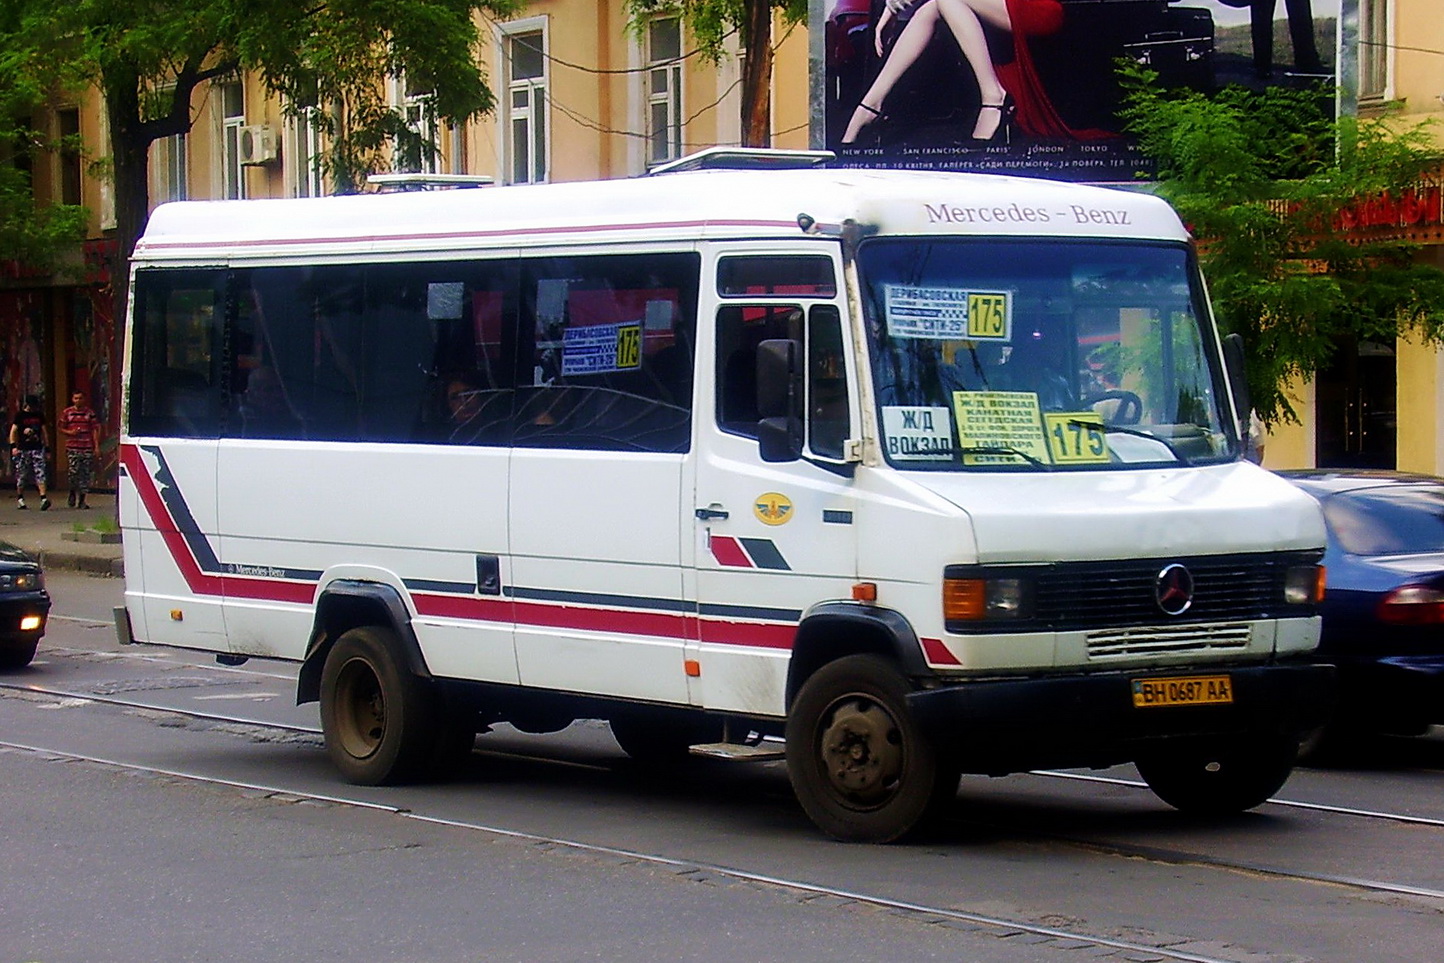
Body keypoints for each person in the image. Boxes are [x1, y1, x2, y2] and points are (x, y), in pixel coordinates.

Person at [841, 0, 1109, 145]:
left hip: (1041, 8)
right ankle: (870, 105)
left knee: (944, 0)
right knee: (932, 8)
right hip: (1006, 7)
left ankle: (994, 97)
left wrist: (890, 8)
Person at [58, 390, 102, 508]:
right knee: (73, 472)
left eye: (80, 398)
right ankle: (72, 492)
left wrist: (96, 446)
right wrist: (70, 432)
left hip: (86, 446)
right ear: (73, 399)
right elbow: (61, 428)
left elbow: (94, 429)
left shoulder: (89, 413)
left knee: (85, 473)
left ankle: (82, 500)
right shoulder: (67, 413)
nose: (78, 400)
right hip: (72, 447)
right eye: (76, 398)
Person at [9, 394, 51, 511]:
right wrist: (13, 446)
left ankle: (43, 498)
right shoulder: (20, 416)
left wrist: (47, 448)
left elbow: (44, 432)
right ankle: (20, 498)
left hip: (37, 448)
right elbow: (13, 431)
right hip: (23, 448)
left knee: (40, 472)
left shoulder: (39, 415)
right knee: (22, 474)